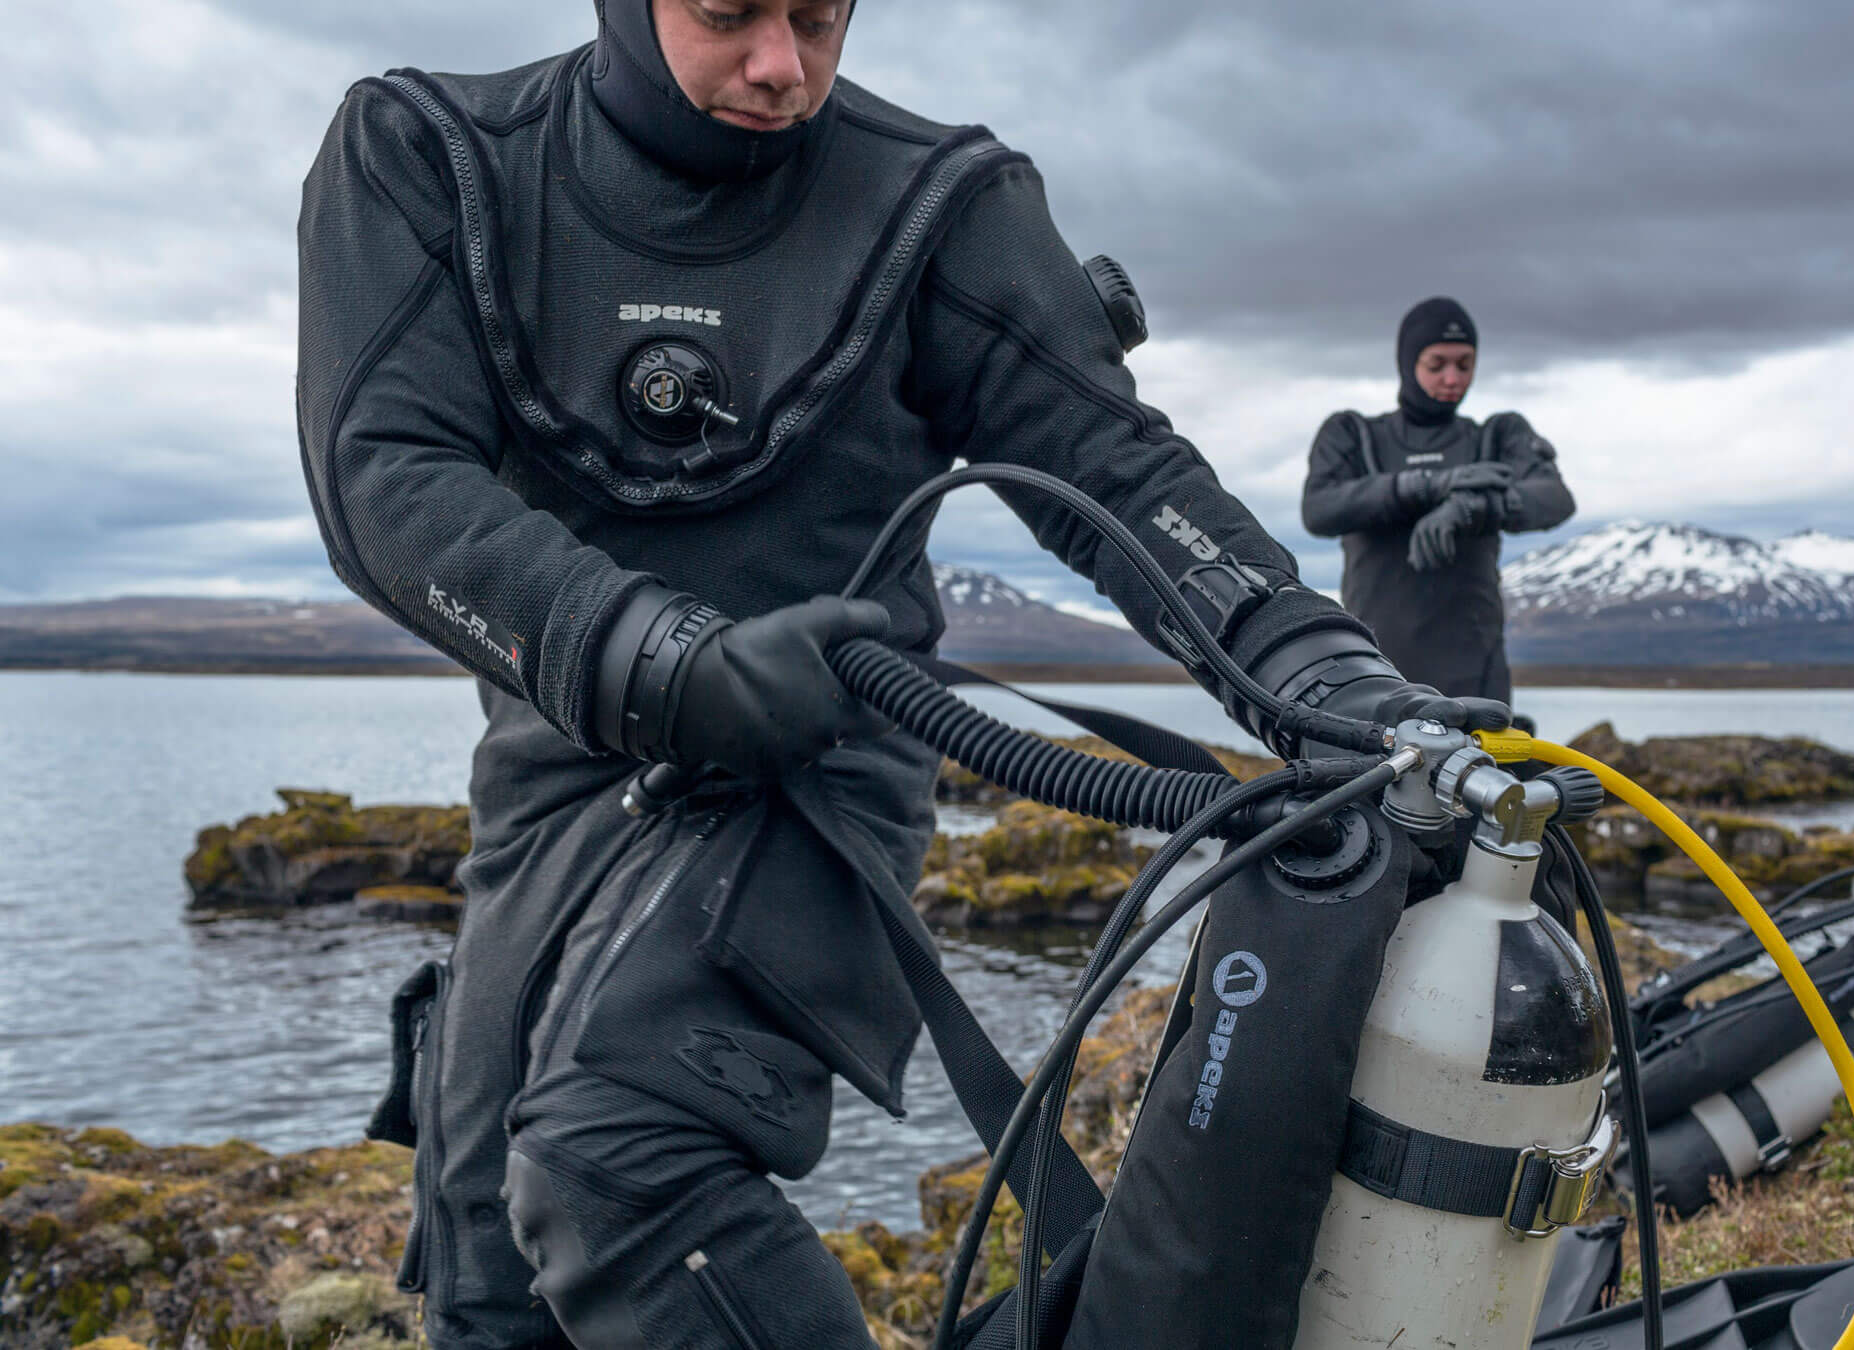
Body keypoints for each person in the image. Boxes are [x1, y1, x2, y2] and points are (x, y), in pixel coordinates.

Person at [297, 4, 1508, 1346]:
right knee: (485, 1269)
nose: (781, 66)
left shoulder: (937, 203)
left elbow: (1119, 475)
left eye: (819, 19)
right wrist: (659, 656)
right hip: (558, 762)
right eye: (730, 13)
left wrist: (1319, 667)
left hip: (820, 758)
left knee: (611, 1163)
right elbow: (383, 476)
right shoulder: (433, 156)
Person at [1301, 297, 1576, 706]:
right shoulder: (1354, 436)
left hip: (1474, 672)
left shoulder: (1497, 436)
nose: (1452, 378)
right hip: (1373, 668)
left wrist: (1473, 508)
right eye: (1437, 365)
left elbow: (1555, 499)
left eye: (1465, 365)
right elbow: (1319, 509)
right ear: (1408, 362)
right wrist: (1425, 487)